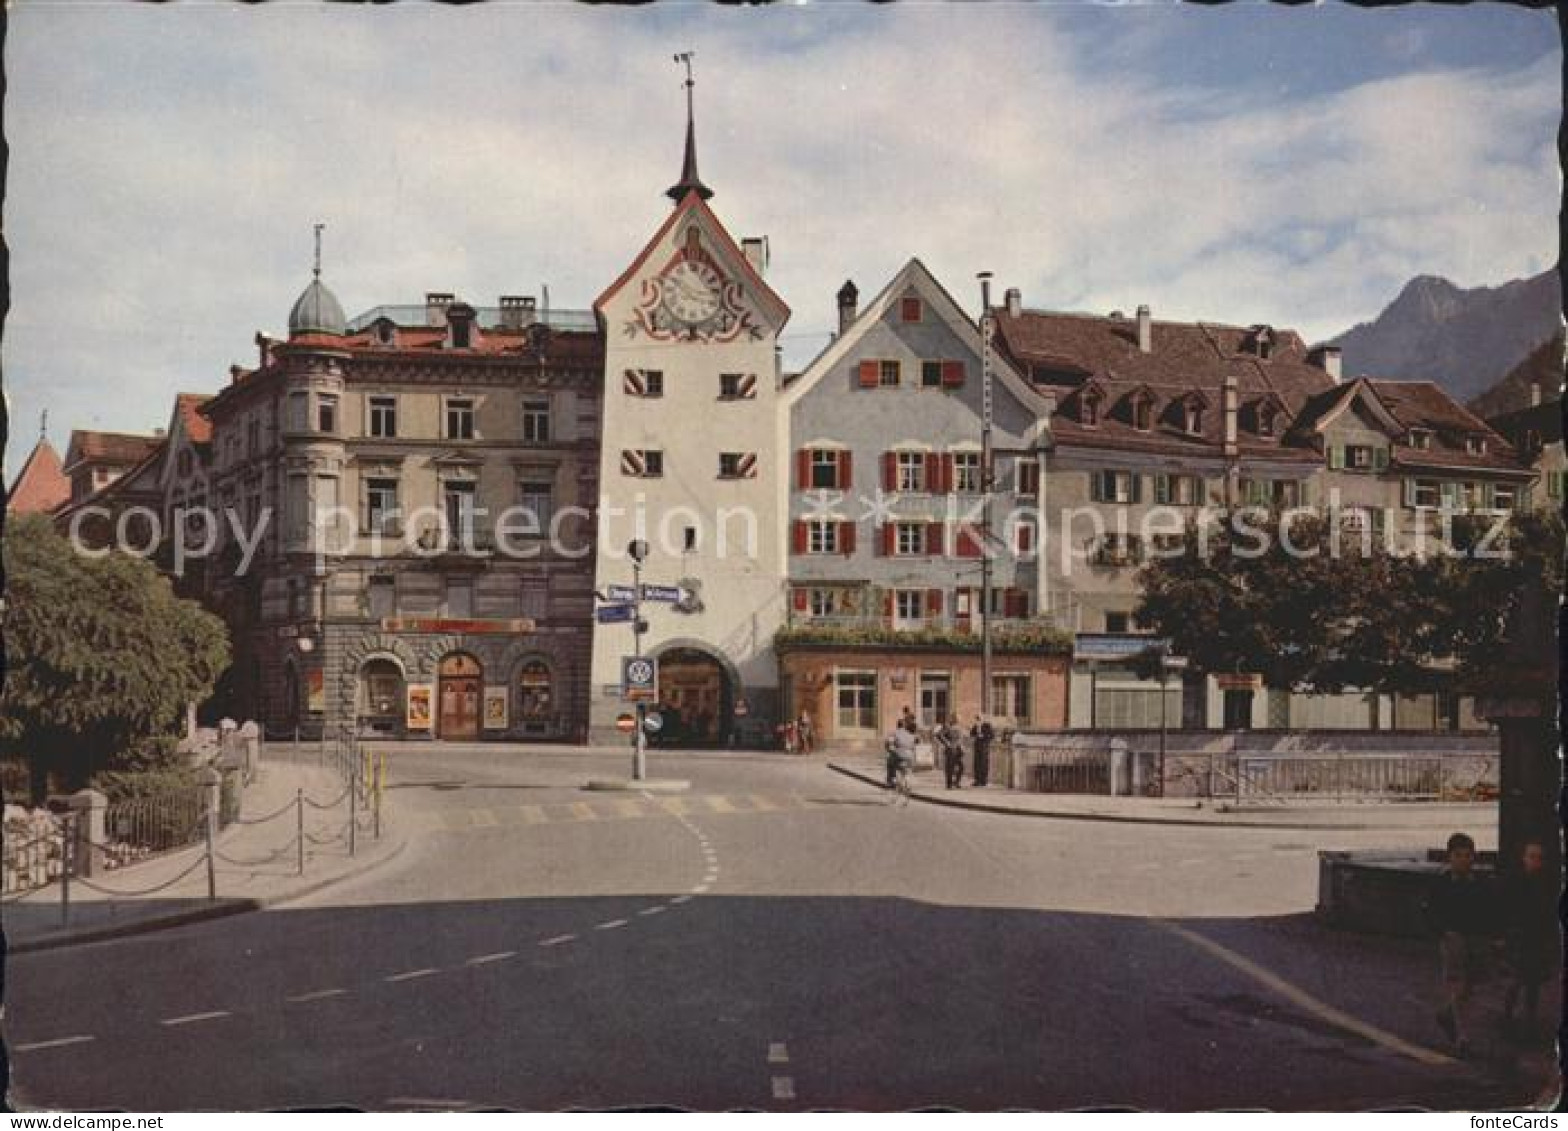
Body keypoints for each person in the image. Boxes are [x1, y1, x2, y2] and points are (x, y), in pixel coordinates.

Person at [1423, 831, 1492, 1055]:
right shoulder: (1440, 884)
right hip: (1453, 937)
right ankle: (1463, 1036)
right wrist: (1442, 932)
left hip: (1476, 939)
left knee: (1471, 986)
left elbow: (1490, 911)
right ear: (1450, 857)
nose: (1464, 860)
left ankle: (1446, 1014)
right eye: (1459, 855)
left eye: (1468, 855)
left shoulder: (1480, 884)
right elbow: (1430, 912)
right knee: (1458, 983)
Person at [1498, 838, 1556, 1037]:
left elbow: (1548, 912)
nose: (1536, 862)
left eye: (1539, 858)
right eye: (1532, 857)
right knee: (1517, 979)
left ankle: (1529, 1018)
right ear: (1524, 858)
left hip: (1536, 938)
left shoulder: (1545, 883)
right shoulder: (1515, 882)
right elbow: (1506, 910)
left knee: (1533, 981)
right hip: (1519, 937)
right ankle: (1507, 1015)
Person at [885, 717, 917, 790]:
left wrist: (889, 749)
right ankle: (907, 780)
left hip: (899, 754)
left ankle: (891, 779)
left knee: (890, 763)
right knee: (907, 769)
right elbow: (914, 743)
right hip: (910, 756)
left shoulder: (894, 733)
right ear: (904, 726)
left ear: (897, 725)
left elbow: (889, 743)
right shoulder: (910, 734)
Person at [938, 715, 965, 789]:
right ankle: (949, 784)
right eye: (956, 719)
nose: (958, 720)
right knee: (950, 767)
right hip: (950, 749)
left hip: (958, 749)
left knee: (961, 767)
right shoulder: (948, 727)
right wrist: (946, 743)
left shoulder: (960, 728)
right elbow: (940, 735)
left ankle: (956, 782)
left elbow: (961, 738)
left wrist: (962, 746)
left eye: (958, 719)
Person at [970, 715, 995, 787]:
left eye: (979, 719)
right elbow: (971, 734)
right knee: (976, 763)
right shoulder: (976, 726)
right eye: (977, 719)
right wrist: (976, 732)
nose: (978, 721)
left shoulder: (987, 726)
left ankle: (984, 781)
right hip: (977, 746)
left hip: (984, 747)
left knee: (984, 764)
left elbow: (992, 736)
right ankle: (977, 780)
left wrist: (983, 736)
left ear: (983, 719)